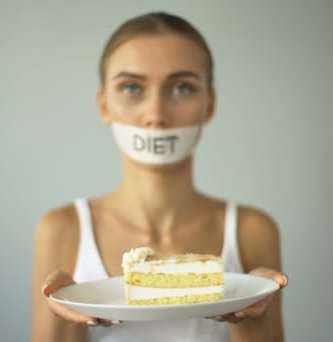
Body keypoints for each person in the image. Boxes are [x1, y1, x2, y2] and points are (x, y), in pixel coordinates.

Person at [31, 11, 288, 342]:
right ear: (103, 104)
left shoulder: (253, 230)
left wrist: (254, 310)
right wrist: (61, 312)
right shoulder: (61, 229)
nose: (156, 115)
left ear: (210, 103)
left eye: (182, 88)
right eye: (131, 87)